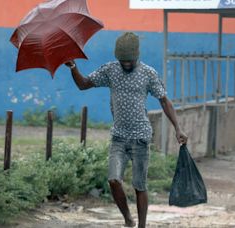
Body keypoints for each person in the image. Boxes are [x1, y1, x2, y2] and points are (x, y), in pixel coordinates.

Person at [65, 32, 187, 228]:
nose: (126, 64)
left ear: (136, 56)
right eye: (123, 61)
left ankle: (142, 226)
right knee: (113, 180)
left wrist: (178, 128)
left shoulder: (148, 73)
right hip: (119, 137)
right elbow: (83, 84)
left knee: (140, 186)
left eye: (129, 61)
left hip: (140, 137)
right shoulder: (110, 70)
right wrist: (73, 68)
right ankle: (128, 219)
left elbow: (164, 100)